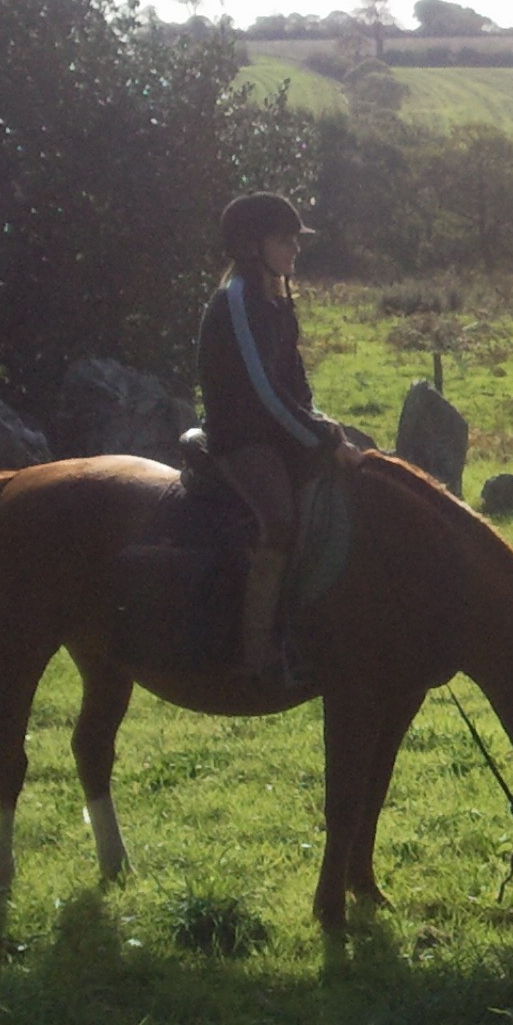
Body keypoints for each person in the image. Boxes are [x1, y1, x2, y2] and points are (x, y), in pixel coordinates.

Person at [196, 192, 357, 681]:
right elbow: (263, 391)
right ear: (252, 247)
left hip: (275, 433)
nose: (295, 249)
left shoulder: (278, 301)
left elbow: (296, 385)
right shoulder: (237, 302)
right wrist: (324, 439)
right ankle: (257, 653)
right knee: (281, 524)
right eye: (284, 240)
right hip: (241, 440)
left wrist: (326, 427)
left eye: (295, 239)